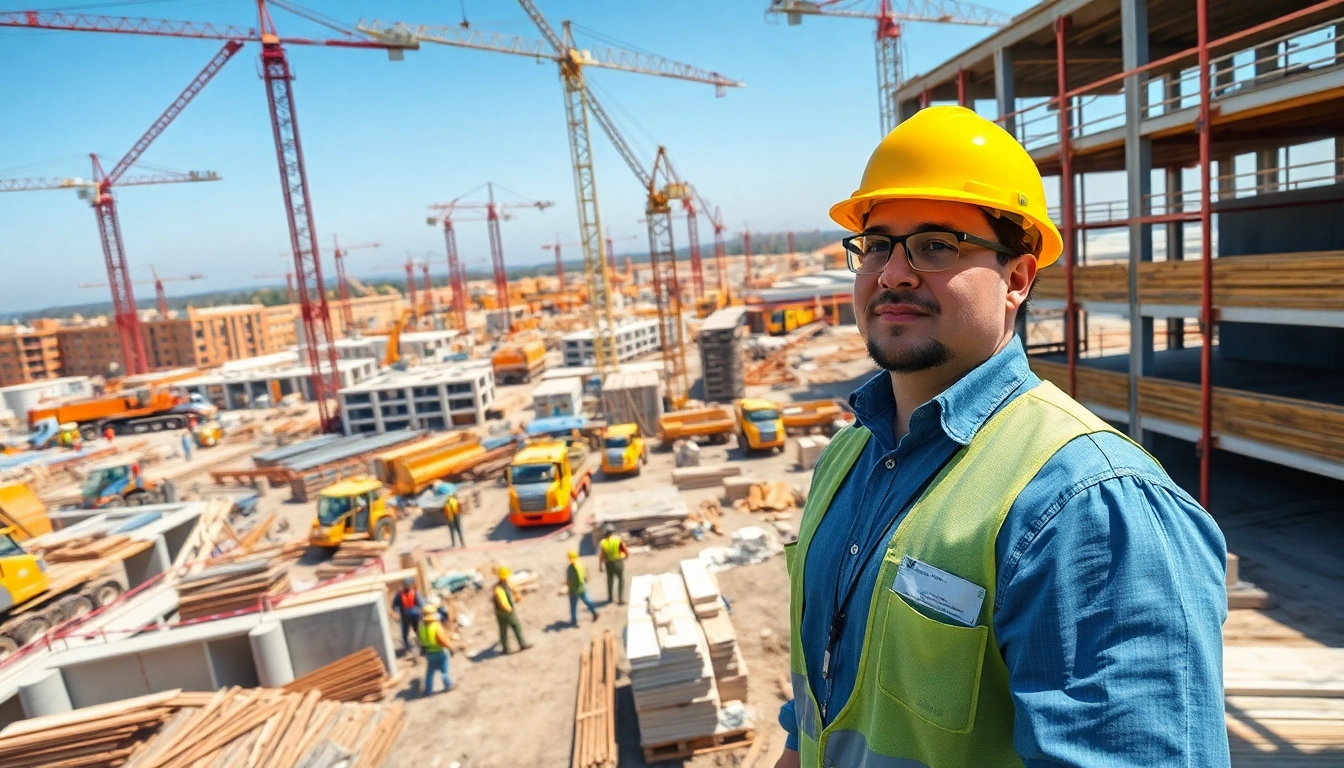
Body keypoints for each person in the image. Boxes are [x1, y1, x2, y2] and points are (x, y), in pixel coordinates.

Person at [777, 106, 1228, 767]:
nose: (894, 273)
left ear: (1017, 279)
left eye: (936, 245)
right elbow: (818, 714)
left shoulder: (1087, 506)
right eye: (876, 245)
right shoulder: (847, 459)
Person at [418, 599, 454, 695]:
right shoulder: (435, 626)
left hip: (429, 653)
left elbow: (420, 640)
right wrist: (451, 647)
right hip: (439, 652)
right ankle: (448, 685)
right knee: (444, 670)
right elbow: (442, 640)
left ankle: (428, 690)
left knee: (430, 673)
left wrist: (422, 651)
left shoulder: (421, 626)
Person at [493, 566, 531, 653]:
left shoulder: (501, 586)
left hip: (499, 612)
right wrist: (508, 608)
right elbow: (502, 600)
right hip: (507, 612)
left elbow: (513, 590)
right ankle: (522, 644)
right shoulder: (499, 589)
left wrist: (517, 595)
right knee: (516, 626)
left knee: (503, 630)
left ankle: (505, 648)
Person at [565, 550, 600, 626]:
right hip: (582, 587)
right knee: (588, 600)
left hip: (574, 589)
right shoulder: (581, 564)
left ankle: (574, 621)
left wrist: (568, 588)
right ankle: (594, 612)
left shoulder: (570, 568)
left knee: (573, 605)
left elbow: (569, 581)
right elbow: (586, 574)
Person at [390, 577, 424, 655]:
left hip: (415, 616)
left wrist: (421, 613)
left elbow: (421, 604)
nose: (407, 586)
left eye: (409, 585)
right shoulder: (399, 595)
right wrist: (395, 613)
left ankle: (421, 645)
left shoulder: (415, 593)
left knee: (418, 631)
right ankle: (407, 647)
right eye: (406, 585)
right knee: (405, 633)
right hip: (405, 617)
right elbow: (394, 606)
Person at [597, 525, 628, 605]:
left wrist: (600, 565)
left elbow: (602, 555)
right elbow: (624, 549)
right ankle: (620, 599)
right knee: (620, 580)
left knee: (610, 580)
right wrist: (626, 556)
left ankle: (610, 598)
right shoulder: (618, 540)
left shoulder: (603, 542)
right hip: (618, 562)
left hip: (609, 563)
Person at [435, 480, 465, 548]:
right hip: (456, 513)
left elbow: (442, 506)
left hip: (449, 515)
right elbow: (459, 507)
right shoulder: (451, 489)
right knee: (459, 528)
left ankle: (453, 544)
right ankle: (463, 543)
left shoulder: (444, 498)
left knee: (452, 530)